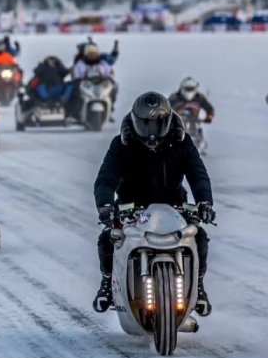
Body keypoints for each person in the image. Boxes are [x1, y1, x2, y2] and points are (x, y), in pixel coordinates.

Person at [92, 92, 215, 316]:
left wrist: (205, 202)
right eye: (145, 124)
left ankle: (198, 287)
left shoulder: (182, 142)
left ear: (167, 121)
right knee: (108, 238)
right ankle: (108, 284)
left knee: (199, 236)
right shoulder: (121, 144)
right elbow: (106, 178)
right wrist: (106, 205)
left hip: (174, 203)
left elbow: (198, 174)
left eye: (157, 124)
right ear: (135, 121)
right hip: (131, 205)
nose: (151, 132)